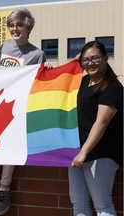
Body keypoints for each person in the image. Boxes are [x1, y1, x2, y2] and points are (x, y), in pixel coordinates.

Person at [0, 8, 52, 215]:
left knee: (9, 146)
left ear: (28, 27)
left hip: (17, 108)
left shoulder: (37, 53)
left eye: (19, 25)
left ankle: (4, 188)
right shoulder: (3, 46)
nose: (14, 28)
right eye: (11, 25)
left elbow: (40, 82)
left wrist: (48, 69)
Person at [69, 40, 123, 216]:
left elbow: (101, 122)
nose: (90, 63)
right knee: (78, 204)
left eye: (95, 58)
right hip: (77, 153)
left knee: (102, 206)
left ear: (106, 58)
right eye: (86, 60)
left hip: (101, 153)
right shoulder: (83, 82)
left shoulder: (113, 87)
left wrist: (83, 152)